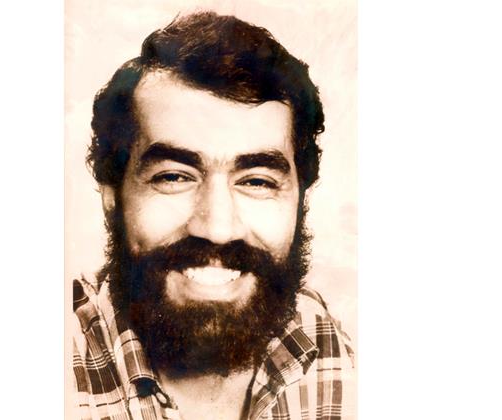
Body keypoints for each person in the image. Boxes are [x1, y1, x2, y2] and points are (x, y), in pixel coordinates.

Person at [70, 11, 355, 420]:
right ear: (112, 196)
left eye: (257, 181)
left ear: (301, 199)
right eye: (173, 177)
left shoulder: (335, 350)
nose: (218, 229)